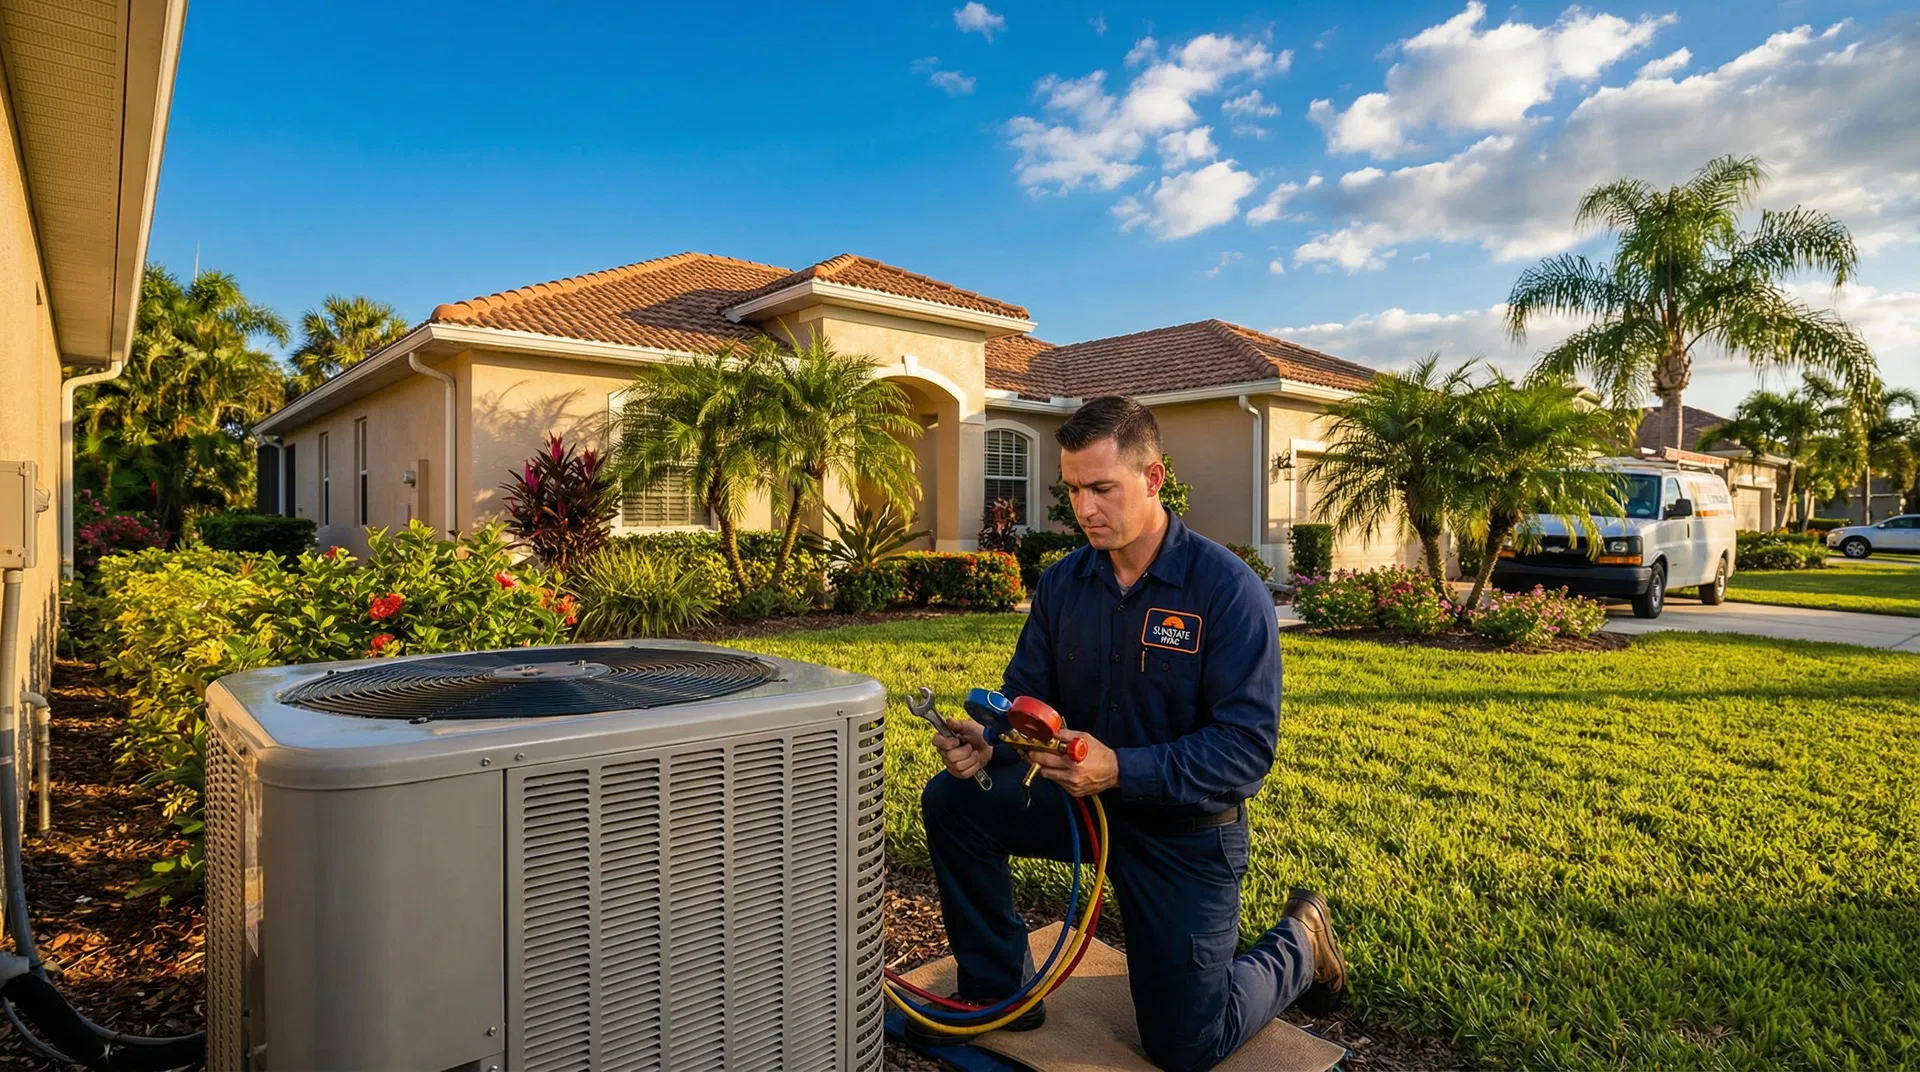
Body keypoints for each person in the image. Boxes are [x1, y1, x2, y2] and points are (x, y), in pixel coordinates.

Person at [912, 396, 1348, 1072]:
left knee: (1186, 1046)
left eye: (1102, 488)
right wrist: (990, 741)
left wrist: (1121, 770)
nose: (1084, 508)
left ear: (1153, 478)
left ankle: (1301, 942)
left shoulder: (1227, 591)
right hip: (1079, 806)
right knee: (954, 799)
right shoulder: (1064, 584)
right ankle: (998, 992)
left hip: (1184, 834)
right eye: (1074, 489)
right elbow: (1032, 701)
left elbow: (1246, 751)